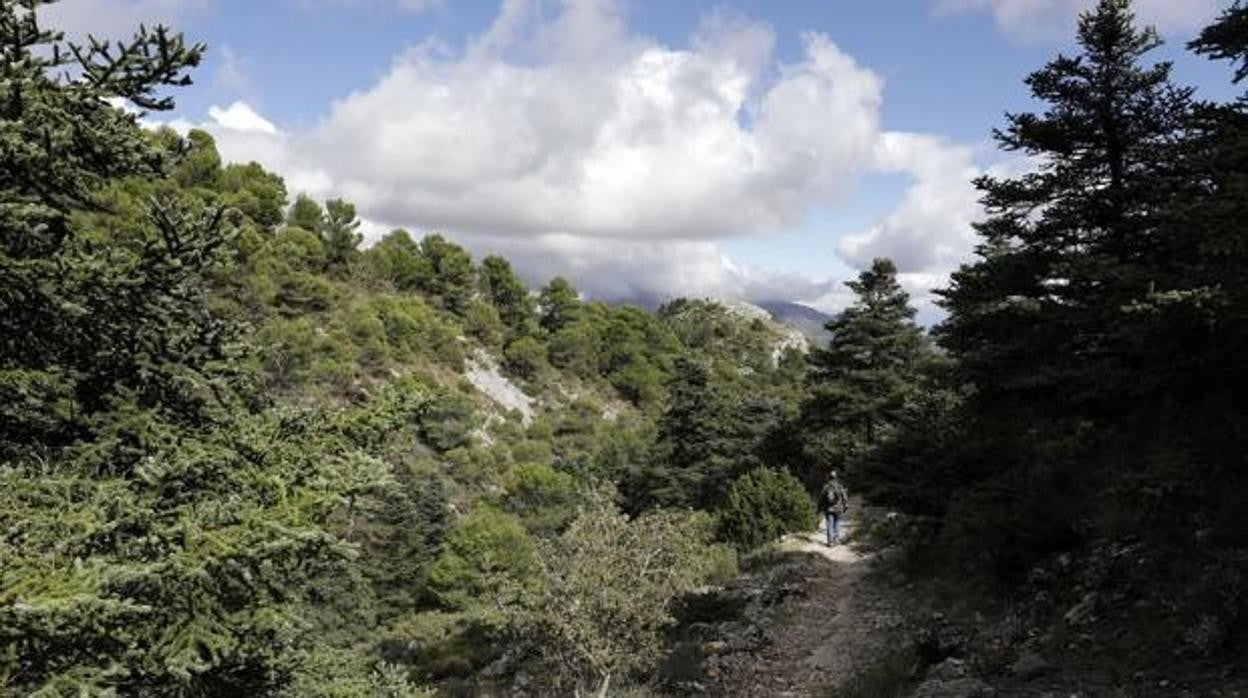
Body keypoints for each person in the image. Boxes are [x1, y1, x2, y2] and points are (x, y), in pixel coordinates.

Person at [819, 471, 848, 546]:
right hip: (838, 508)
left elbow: (821, 499)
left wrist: (819, 508)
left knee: (829, 524)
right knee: (837, 523)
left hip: (828, 509)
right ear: (836, 477)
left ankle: (830, 541)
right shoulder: (839, 486)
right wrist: (845, 506)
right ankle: (836, 539)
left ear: (829, 477)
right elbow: (844, 497)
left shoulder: (826, 487)